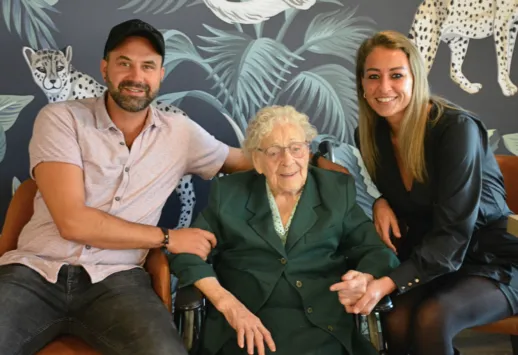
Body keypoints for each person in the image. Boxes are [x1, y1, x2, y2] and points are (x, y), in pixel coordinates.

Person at [0, 18, 254, 355]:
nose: (136, 76)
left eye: (148, 66)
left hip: (117, 280)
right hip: (34, 273)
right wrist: (167, 238)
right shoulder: (62, 118)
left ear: (161, 75)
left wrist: (307, 158)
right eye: (124, 63)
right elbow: (73, 222)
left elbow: (244, 160)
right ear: (105, 69)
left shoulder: (180, 132)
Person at [169, 105, 400, 355]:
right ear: (256, 161)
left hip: (321, 326)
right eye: (274, 152)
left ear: (307, 151)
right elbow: (187, 254)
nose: (288, 160)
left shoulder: (335, 191)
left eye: (295, 148)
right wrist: (229, 305)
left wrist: (363, 278)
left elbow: (377, 252)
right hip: (246, 327)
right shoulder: (229, 194)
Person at [351, 30, 518, 355]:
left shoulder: (456, 130)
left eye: (396, 75)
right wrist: (379, 200)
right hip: (435, 259)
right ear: (362, 83)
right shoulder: (369, 135)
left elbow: (455, 232)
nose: (384, 88)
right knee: (395, 318)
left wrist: (386, 283)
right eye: (373, 76)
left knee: (433, 318)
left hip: (493, 259)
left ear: (416, 78)